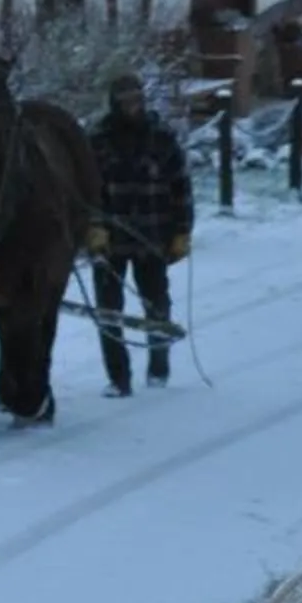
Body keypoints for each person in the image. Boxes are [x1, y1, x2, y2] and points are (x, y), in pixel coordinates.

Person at [87, 70, 193, 396]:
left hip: (152, 235)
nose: (131, 106)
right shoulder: (97, 140)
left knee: (156, 303)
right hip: (110, 239)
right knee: (108, 310)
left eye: (136, 99)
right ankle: (118, 378)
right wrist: (91, 227)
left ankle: (158, 366)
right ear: (113, 103)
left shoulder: (161, 137)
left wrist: (182, 231)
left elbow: (181, 187)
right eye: (124, 101)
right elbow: (86, 189)